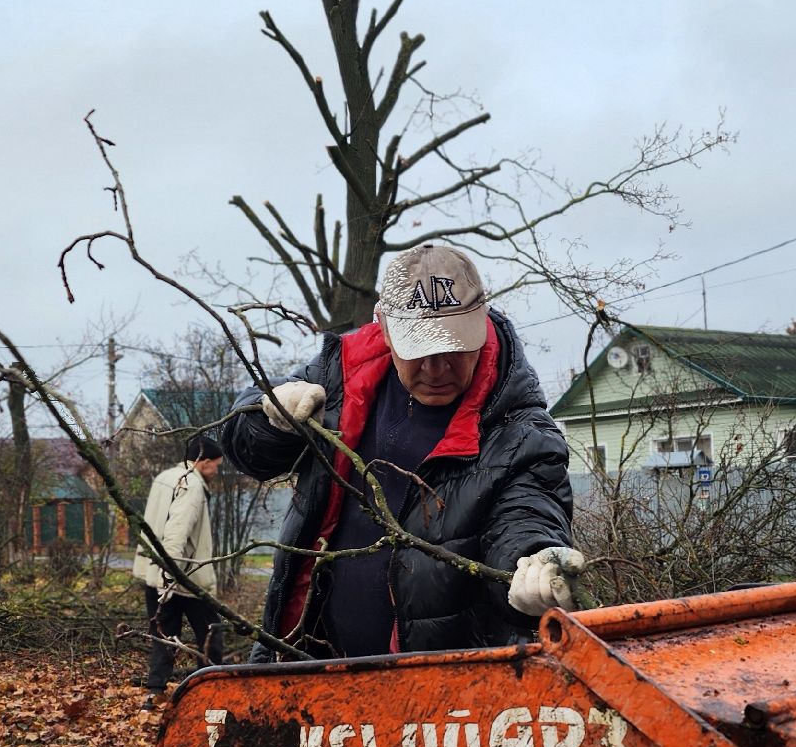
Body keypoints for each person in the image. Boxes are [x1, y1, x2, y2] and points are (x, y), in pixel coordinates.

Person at [223, 243, 585, 658]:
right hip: (307, 660)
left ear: (481, 324)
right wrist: (270, 420)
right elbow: (248, 451)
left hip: (443, 683)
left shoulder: (520, 432)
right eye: (419, 350)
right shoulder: (341, 376)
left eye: (452, 349)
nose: (436, 368)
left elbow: (527, 515)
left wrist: (531, 565)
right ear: (384, 328)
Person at [132, 433, 225, 694]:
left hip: (157, 574)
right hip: (184, 577)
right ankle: (211, 690)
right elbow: (176, 532)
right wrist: (170, 579)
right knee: (210, 635)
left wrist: (162, 578)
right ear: (203, 461)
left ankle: (155, 692)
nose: (217, 471)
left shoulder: (165, 477)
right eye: (216, 465)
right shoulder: (191, 485)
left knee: (163, 636)